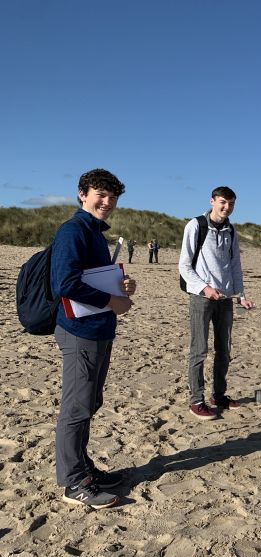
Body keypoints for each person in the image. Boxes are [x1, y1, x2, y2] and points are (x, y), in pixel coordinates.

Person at [50, 168, 137, 508]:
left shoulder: (96, 234)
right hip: (79, 331)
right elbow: (65, 283)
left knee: (89, 402)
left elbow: (93, 277)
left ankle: (83, 469)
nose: (107, 202)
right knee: (76, 406)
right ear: (82, 194)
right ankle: (73, 482)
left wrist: (122, 285)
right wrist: (111, 301)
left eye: (113, 197)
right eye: (101, 195)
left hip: (98, 329)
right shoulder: (73, 231)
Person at [179, 186, 254, 420]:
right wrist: (205, 288)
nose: (226, 207)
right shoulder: (196, 226)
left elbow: (235, 266)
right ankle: (196, 400)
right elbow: (184, 266)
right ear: (212, 201)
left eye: (231, 204)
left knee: (224, 349)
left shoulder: (231, 231)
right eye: (222, 202)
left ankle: (218, 395)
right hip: (201, 298)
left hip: (225, 299)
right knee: (199, 350)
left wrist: (241, 295)